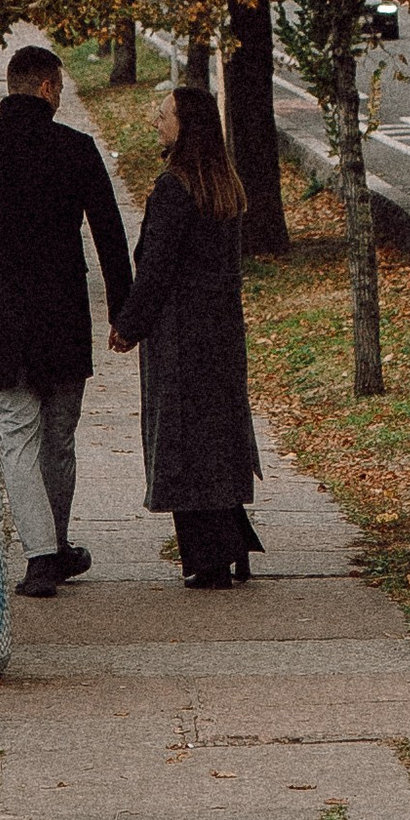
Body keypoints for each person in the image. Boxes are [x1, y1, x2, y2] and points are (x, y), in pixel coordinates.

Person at [0, 41, 132, 600]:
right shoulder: (76, 149)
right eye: (61, 87)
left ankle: (42, 555)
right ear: (47, 87)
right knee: (60, 440)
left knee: (15, 440)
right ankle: (57, 542)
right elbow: (110, 238)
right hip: (63, 319)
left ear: (11, 86)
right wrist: (124, 313)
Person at [111, 80, 262, 588]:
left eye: (164, 114)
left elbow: (156, 267)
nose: (156, 120)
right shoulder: (224, 184)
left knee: (182, 437)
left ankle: (209, 556)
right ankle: (231, 540)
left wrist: (128, 326)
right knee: (217, 434)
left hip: (179, 331)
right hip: (219, 327)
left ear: (186, 127)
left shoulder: (174, 188)